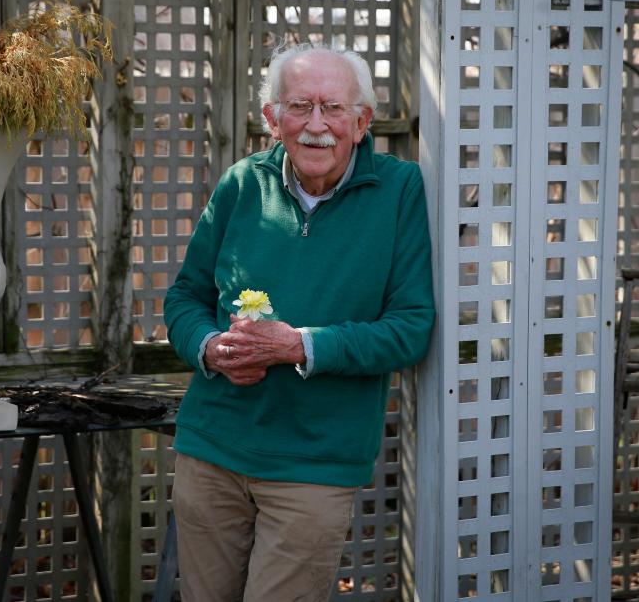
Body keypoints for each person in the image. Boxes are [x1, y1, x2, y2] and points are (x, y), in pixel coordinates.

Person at [163, 42, 435, 602]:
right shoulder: (242, 183)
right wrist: (212, 348)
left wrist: (298, 346)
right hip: (212, 448)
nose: (317, 125)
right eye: (299, 107)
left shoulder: (400, 190)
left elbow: (409, 329)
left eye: (334, 109)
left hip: (315, 462)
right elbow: (184, 298)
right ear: (272, 119)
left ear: (362, 123)